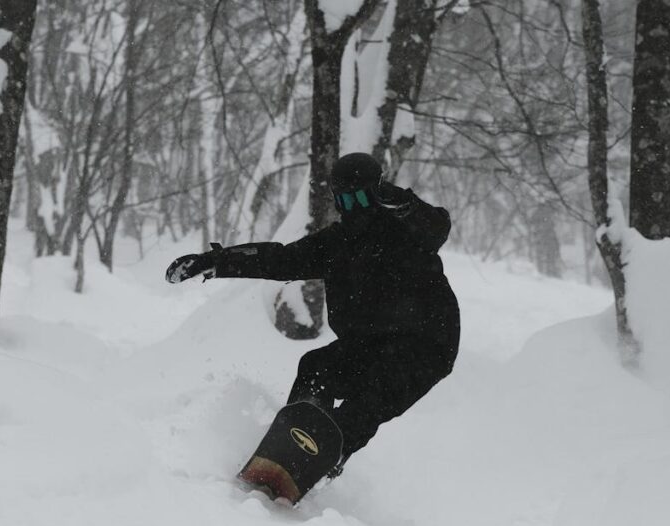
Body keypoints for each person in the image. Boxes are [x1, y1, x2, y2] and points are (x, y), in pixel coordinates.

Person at [165, 152, 460, 475]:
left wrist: (407, 205)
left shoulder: (407, 232)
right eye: (344, 200)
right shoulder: (336, 244)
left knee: (366, 403)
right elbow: (277, 259)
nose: (354, 207)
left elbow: (438, 226)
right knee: (315, 367)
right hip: (371, 345)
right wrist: (215, 261)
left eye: (361, 197)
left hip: (425, 345)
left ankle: (324, 459)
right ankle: (291, 440)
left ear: (377, 193)